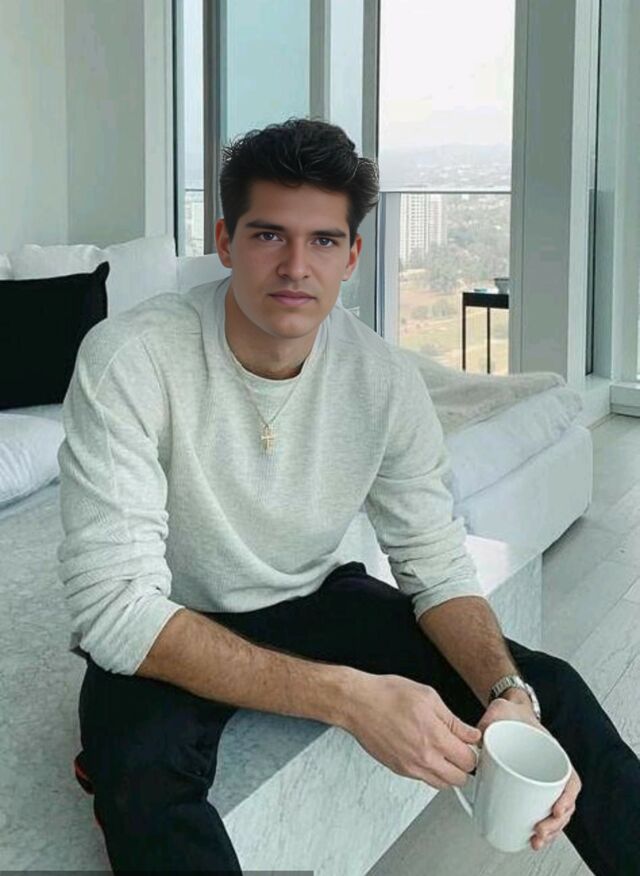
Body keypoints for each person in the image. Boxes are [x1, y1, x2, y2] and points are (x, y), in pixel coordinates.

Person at [58, 118, 640, 875]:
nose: (296, 266)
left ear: (352, 255)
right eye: (269, 235)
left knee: (548, 691)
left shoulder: (384, 379)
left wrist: (509, 694)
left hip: (315, 596)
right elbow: (113, 609)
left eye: (324, 240)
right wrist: (349, 699)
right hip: (171, 613)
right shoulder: (130, 359)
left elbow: (436, 564)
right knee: (139, 773)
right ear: (225, 240)